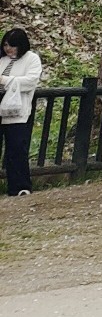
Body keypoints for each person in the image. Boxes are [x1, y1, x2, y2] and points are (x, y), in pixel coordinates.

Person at [0, 28, 43, 197]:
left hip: (16, 110)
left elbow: (30, 81)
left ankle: (20, 186)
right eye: (5, 45)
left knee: (17, 149)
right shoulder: (2, 60)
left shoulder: (31, 59)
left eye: (12, 46)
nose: (8, 49)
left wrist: (5, 81)